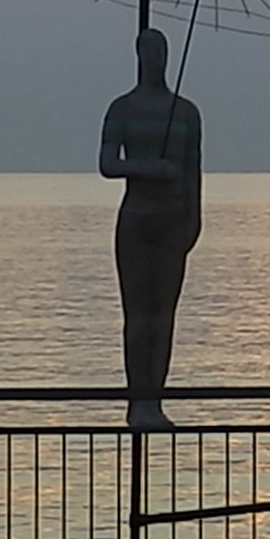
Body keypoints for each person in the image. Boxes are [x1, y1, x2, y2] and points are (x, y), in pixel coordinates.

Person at [99, 27, 202, 431]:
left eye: (162, 51)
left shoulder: (187, 113)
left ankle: (155, 398)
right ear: (139, 56)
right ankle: (137, 399)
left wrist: (195, 219)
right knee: (137, 315)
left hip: (174, 219)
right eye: (149, 51)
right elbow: (108, 163)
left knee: (164, 317)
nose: (156, 58)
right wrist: (148, 169)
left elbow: (194, 172)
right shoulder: (121, 109)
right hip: (137, 217)